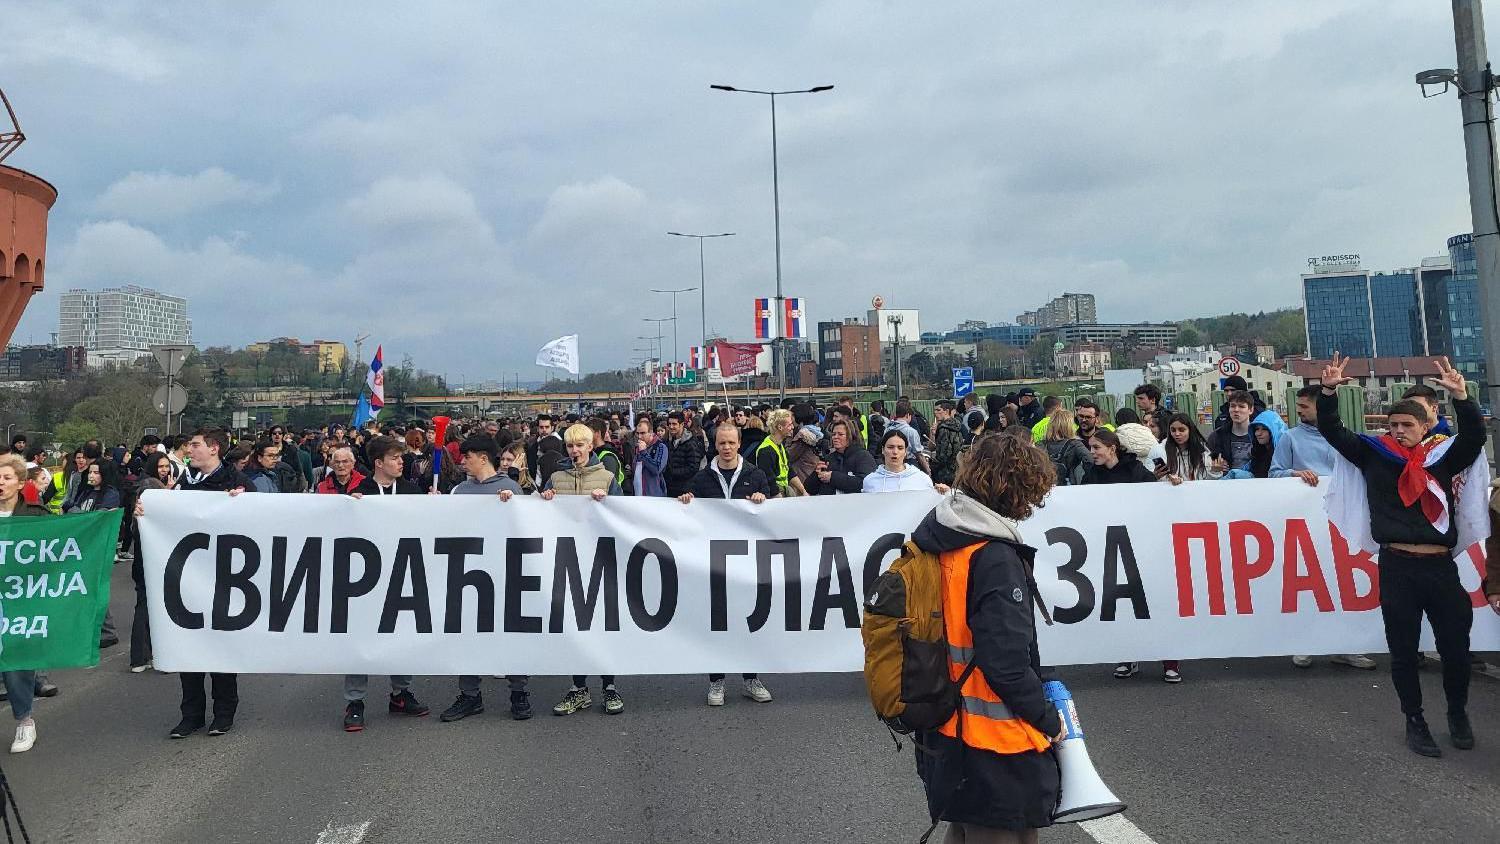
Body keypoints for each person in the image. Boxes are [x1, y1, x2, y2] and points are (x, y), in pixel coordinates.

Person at [1318, 354, 1484, 757]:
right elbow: (1334, 432)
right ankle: (1415, 721)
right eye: (1392, 425)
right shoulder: (1376, 454)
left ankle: (1458, 713)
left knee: (1455, 648)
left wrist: (1461, 396)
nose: (1398, 431)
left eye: (1407, 425)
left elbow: (1474, 438)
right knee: (1404, 650)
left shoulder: (1441, 457)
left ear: (1426, 427)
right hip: (1397, 566)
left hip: (1439, 567)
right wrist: (1328, 391)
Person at [910, 434, 1067, 841]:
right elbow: (1006, 662)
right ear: (1017, 488)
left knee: (964, 830)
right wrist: (1048, 719)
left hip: (945, 724)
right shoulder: (993, 556)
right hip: (993, 741)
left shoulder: (940, 535)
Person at [135, 427, 254, 739]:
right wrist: (146, 512)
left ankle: (224, 712)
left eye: (196, 444)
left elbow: (260, 520)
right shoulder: (184, 482)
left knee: (219, 646)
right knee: (189, 645)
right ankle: (191, 715)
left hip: (226, 577)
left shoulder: (236, 482)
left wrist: (245, 503)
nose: (190, 450)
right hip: (188, 578)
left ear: (213, 448)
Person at [1267, 387, 1377, 671]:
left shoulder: (1344, 437)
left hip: (1341, 522)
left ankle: (1348, 647)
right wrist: (1294, 474)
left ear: (1320, 407)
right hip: (1305, 522)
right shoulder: (1290, 438)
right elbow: (1273, 473)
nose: (1300, 410)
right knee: (1308, 584)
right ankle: (1306, 642)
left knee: (1343, 582)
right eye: (1299, 406)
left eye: (1305, 406)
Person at [677, 424, 775, 706]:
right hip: (714, 561)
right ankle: (716, 681)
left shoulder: (755, 475)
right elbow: (690, 515)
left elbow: (770, 514)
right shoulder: (701, 478)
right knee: (717, 621)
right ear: (715, 445)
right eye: (722, 443)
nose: (727, 447)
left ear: (739, 442)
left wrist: (762, 500)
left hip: (748, 561)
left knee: (749, 620)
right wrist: (687, 502)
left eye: (731, 442)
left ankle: (750, 678)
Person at [441, 433, 530, 723]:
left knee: (512, 633)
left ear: (483, 458)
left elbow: (526, 530)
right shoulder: (459, 491)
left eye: (467, 456)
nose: (463, 461)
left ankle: (519, 693)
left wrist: (512, 505)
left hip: (505, 573)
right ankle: (470, 695)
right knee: (468, 635)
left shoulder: (511, 488)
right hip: (468, 575)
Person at [1082, 428, 1180, 682]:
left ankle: (1170, 661)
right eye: (1091, 448)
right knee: (1122, 603)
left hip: (1141, 543)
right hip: (1112, 545)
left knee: (1154, 600)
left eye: (1096, 448)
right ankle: (1128, 657)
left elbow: (1154, 497)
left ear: (1111, 448)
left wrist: (1171, 485)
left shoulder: (1135, 470)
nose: (1092, 453)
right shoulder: (1092, 475)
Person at [542, 424, 625, 716]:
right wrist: (546, 499)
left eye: (580, 446)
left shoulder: (607, 477)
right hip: (567, 560)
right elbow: (540, 516)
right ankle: (579, 688)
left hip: (600, 560)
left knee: (603, 625)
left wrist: (610, 503)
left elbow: (626, 516)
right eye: (569, 447)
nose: (574, 451)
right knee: (574, 626)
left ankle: (609, 686)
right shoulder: (555, 477)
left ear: (591, 446)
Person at [0, 453, 51, 753]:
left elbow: (58, 549)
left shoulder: (35, 514)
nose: (0, 483)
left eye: (6, 478)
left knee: (17, 662)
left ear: (20, 482)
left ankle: (24, 721)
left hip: (22, 599)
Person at [129, 452, 176, 673]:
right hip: (155, 562)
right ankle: (160, 655)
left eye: (167, 466)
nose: (165, 470)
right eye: (161, 466)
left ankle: (140, 657)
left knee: (144, 605)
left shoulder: (145, 493)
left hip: (143, 562)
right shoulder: (150, 491)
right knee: (159, 607)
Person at [864, 430, 950, 494]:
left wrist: (943, 492)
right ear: (883, 450)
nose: (895, 452)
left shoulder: (922, 479)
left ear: (905, 452)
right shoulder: (870, 481)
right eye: (890, 447)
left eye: (900, 448)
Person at [806, 418, 877, 495]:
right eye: (833, 434)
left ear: (851, 436)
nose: (835, 437)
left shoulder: (863, 457)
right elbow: (809, 489)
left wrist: (833, 477)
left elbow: (866, 484)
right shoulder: (829, 458)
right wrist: (816, 474)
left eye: (840, 434)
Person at [1154, 413, 1221, 484]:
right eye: (1173, 430)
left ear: (1190, 430)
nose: (1177, 434)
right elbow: (1157, 482)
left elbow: (1207, 483)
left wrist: (1214, 472)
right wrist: (1159, 477)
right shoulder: (1160, 450)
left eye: (1181, 430)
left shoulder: (1203, 451)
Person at [1206, 393, 1256, 478]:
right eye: (1232, 406)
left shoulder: (1259, 435)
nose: (1236, 410)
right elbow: (1205, 467)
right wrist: (1214, 469)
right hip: (1226, 486)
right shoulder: (1217, 436)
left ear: (1250, 410)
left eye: (1241, 406)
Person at [1040, 407, 1089, 487]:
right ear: (1068, 426)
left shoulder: (1040, 445)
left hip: (1045, 486)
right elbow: (1089, 460)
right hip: (1069, 485)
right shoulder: (1075, 444)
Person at [663, 411, 706, 498]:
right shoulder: (668, 441)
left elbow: (693, 468)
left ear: (682, 424)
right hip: (670, 488)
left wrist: (672, 472)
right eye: (669, 424)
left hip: (685, 491)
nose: (671, 427)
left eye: (674, 424)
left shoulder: (691, 443)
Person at [756, 408, 796, 498]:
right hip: (775, 496)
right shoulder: (766, 450)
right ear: (780, 427)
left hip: (782, 491)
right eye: (790, 425)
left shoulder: (780, 446)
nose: (792, 427)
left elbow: (790, 471)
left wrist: (803, 491)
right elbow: (769, 481)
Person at [631, 415, 669, 497]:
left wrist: (644, 452)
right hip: (638, 496)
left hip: (654, 498)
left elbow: (656, 469)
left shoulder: (660, 447)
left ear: (651, 432)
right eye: (637, 433)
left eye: (643, 433)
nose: (639, 436)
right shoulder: (638, 448)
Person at [930, 400, 965, 486]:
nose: (935, 413)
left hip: (944, 472)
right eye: (935, 410)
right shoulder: (957, 425)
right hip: (956, 468)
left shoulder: (943, 429)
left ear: (946, 411)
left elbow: (943, 454)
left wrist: (932, 464)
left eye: (938, 410)